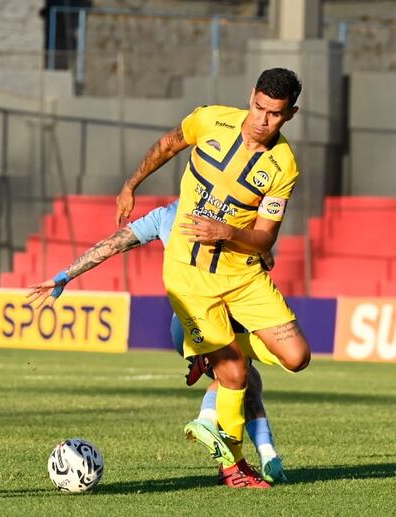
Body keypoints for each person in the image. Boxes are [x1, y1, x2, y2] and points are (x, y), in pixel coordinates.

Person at [113, 68, 310, 488]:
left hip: (243, 276)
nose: (263, 120)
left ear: (289, 114)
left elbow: (265, 237)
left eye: (274, 114)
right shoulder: (209, 119)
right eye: (258, 108)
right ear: (250, 97)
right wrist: (131, 184)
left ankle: (211, 349)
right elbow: (168, 144)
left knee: (296, 357)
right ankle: (233, 467)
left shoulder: (284, 166)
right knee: (235, 374)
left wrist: (228, 232)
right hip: (190, 275)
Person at [27, 200, 287, 484]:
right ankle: (213, 430)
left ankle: (265, 456)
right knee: (237, 372)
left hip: (184, 323)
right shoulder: (235, 213)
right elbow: (266, 260)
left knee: (247, 379)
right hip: (217, 316)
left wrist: (65, 276)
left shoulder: (166, 214)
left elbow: (113, 244)